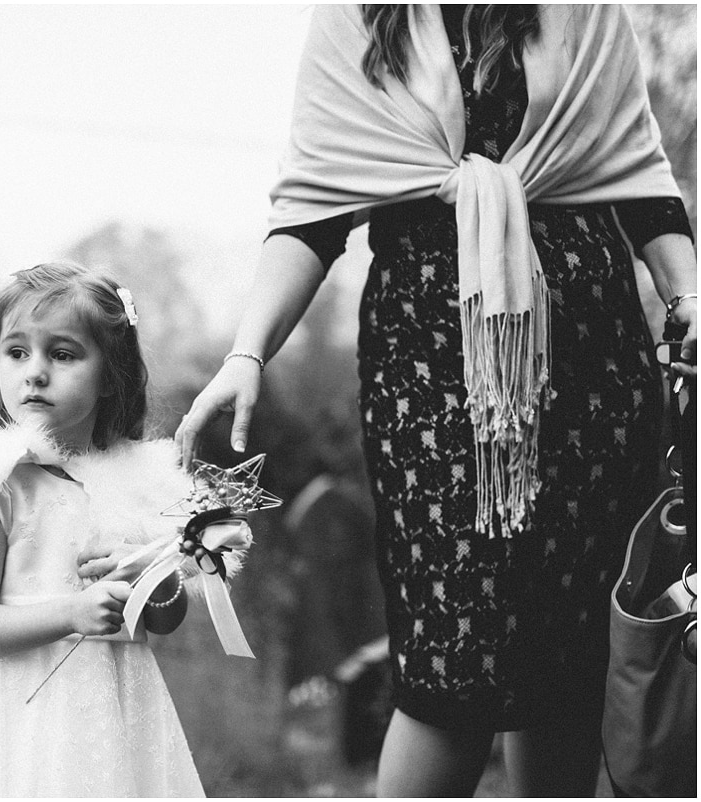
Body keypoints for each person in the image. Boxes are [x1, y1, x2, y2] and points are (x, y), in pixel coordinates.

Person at [176, 5, 696, 797]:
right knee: (451, 674)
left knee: (569, 668)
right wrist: (246, 354)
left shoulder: (587, 9)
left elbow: (639, 183)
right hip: (427, 381)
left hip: (593, 370)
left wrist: (687, 291)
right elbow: (312, 214)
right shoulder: (357, 16)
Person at [0, 262, 206, 797]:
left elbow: (165, 622)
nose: (35, 371)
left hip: (121, 704)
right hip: (14, 708)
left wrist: (158, 582)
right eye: (17, 352)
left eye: (63, 354)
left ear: (110, 375)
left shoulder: (141, 482)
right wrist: (72, 612)